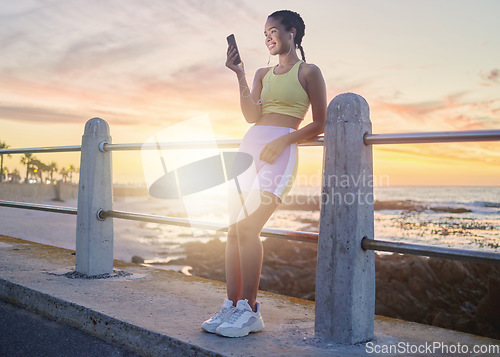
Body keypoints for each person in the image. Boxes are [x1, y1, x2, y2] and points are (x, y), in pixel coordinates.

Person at [202, 10, 326, 338]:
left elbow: (320, 123)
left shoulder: (309, 72)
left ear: (292, 32)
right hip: (248, 151)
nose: (268, 37)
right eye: (264, 33)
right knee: (233, 229)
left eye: (273, 31)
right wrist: (240, 75)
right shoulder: (262, 73)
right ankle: (230, 305)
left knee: (248, 227)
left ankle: (250, 310)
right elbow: (250, 115)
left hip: (280, 154)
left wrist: (284, 139)